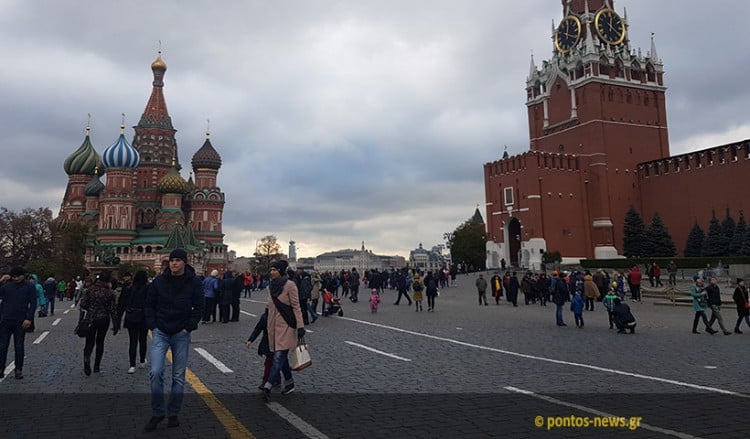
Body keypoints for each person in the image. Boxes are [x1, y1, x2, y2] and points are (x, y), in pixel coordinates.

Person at [144, 248, 204, 432]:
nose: (174, 263)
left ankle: (173, 413)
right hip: (161, 331)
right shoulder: (159, 282)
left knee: (178, 376)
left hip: (181, 333)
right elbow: (149, 304)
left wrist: (188, 327)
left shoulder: (193, 282)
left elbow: (199, 306)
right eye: (171, 260)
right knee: (155, 371)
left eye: (177, 260)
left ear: (184, 262)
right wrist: (153, 325)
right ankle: (157, 412)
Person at [262, 260, 305, 402]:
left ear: (280, 271)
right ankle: (289, 382)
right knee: (281, 356)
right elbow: (269, 308)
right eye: (271, 269)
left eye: (274, 269)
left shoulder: (290, 286)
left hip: (286, 326)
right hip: (273, 326)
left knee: (279, 356)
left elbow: (296, 307)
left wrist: (300, 326)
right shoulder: (270, 286)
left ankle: (268, 385)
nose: (272, 272)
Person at [79, 271, 119, 376]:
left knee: (89, 342)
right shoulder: (110, 292)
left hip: (91, 318)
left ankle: (87, 359)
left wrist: (91, 309)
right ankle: (97, 365)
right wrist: (116, 324)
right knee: (100, 342)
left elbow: (83, 304)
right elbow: (113, 309)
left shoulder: (90, 290)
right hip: (104, 319)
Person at [0, 267, 36, 379]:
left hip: (21, 320)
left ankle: (18, 369)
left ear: (23, 275)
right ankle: (1, 368)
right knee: (2, 346)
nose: (16, 278)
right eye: (13, 276)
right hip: (6, 319)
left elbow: (33, 303)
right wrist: (0, 281)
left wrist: (29, 318)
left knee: (19, 346)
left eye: (18, 276)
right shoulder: (6, 286)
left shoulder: (29, 286)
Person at [118, 270, 149, 373]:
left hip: (131, 317)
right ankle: (142, 360)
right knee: (143, 340)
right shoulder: (148, 288)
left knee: (133, 341)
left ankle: (132, 365)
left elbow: (122, 304)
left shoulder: (129, 288)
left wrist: (118, 319)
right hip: (143, 317)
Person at [246, 309, 279, 390]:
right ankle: (276, 379)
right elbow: (258, 328)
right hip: (270, 342)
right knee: (273, 362)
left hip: (276, 342)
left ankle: (267, 381)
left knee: (271, 363)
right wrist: (251, 339)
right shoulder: (266, 316)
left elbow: (258, 328)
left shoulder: (275, 316)